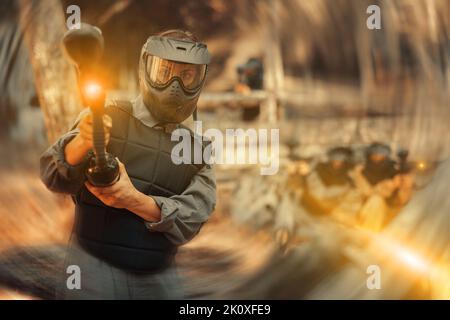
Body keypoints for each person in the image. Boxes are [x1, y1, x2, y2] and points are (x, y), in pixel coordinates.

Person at [40, 30, 216, 299]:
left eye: (187, 75)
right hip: (92, 269)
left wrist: (133, 200)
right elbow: (53, 175)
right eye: (165, 71)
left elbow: (194, 217)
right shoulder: (106, 117)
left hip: (159, 277)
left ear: (200, 79)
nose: (175, 85)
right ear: (146, 68)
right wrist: (83, 143)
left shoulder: (197, 149)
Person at [350, 143, 412, 231]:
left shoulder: (393, 170)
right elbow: (359, 191)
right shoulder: (362, 170)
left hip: (388, 209)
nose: (377, 156)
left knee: (376, 201)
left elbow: (404, 196)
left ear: (386, 155)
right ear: (369, 154)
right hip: (363, 209)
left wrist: (405, 175)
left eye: (381, 153)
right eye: (374, 153)